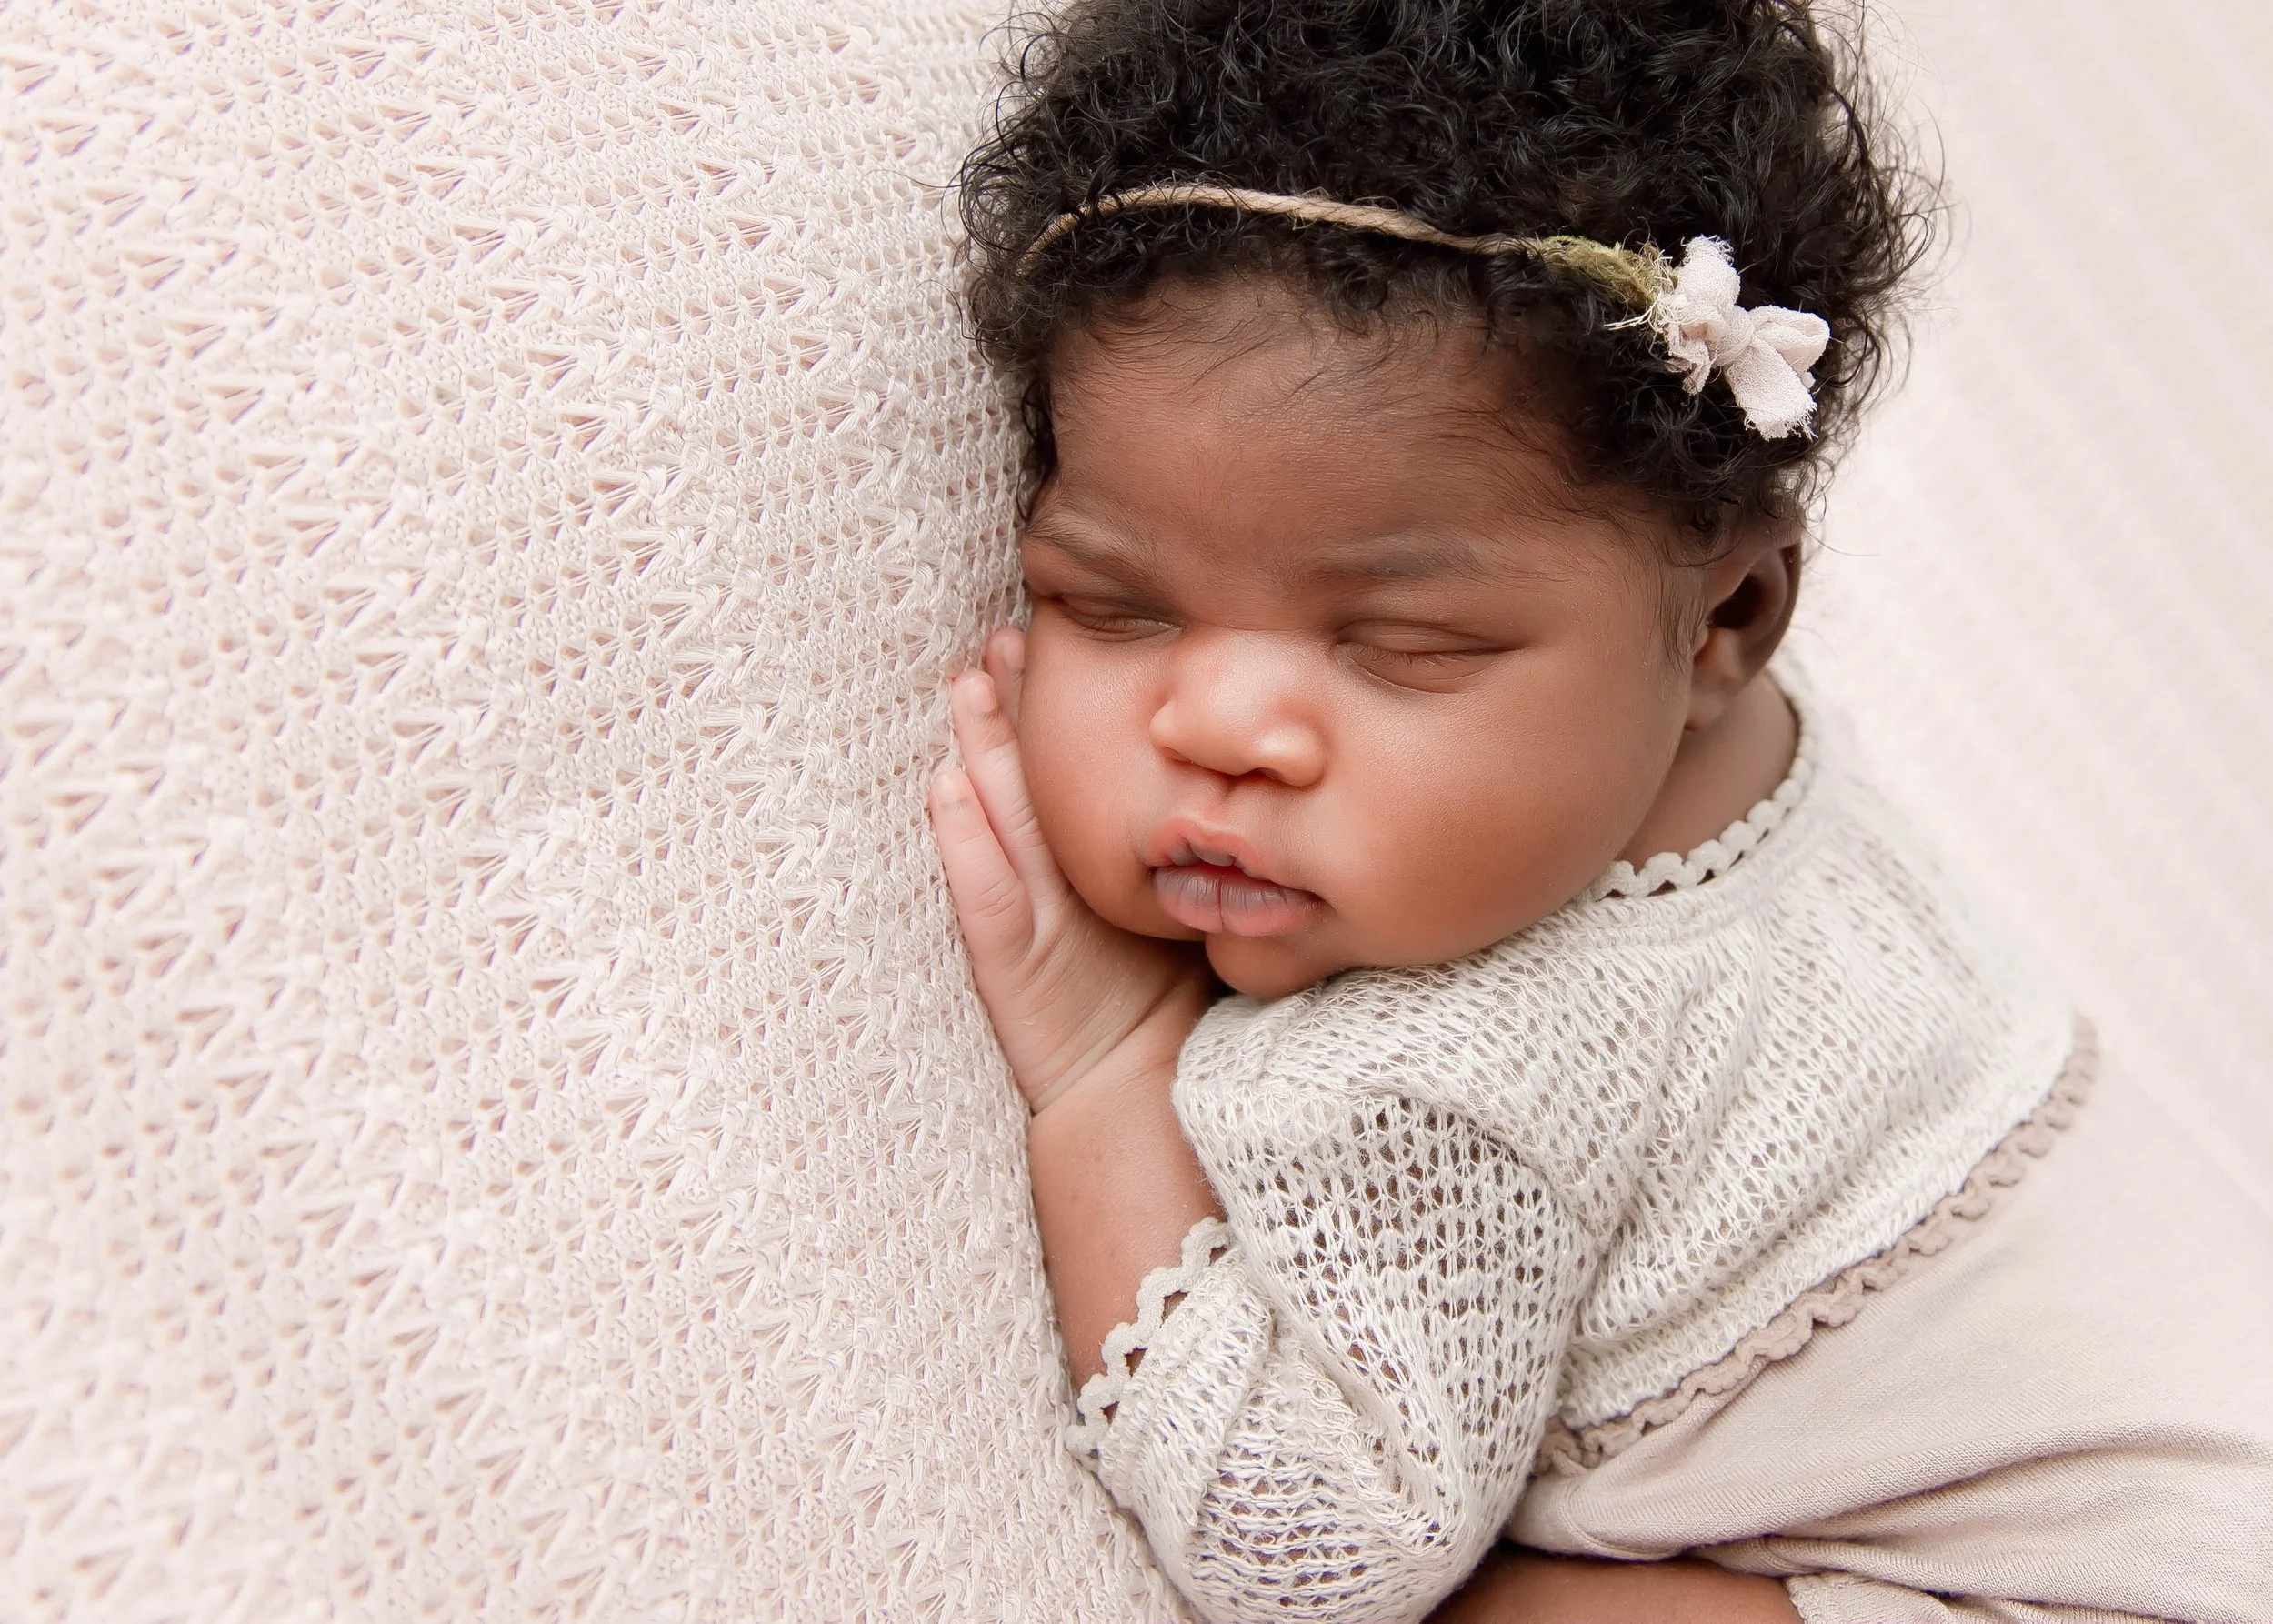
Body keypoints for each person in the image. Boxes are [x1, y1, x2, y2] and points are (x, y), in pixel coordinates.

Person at [924, 1, 2273, 1619]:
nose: (1215, 726)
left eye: (1404, 644)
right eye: (1111, 603)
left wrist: (1101, 1073)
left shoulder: (1450, 1067)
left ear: (1729, 617)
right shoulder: (1690, 747)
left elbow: (1314, 1559)